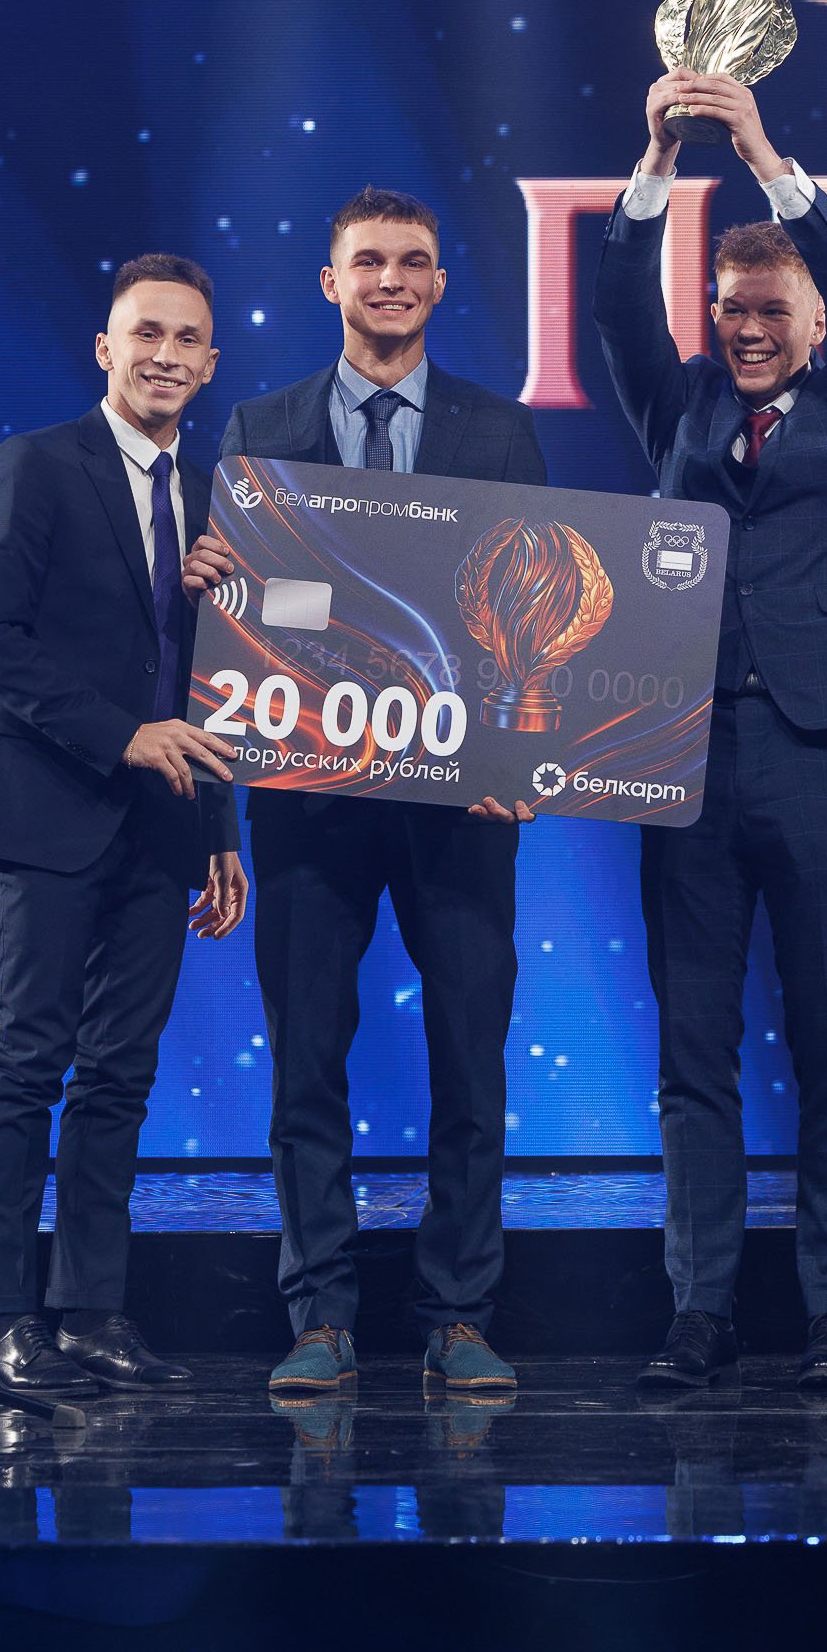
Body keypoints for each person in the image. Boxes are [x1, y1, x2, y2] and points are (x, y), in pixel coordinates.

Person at [183, 187, 546, 1398]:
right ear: (331, 282)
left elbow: (529, 619)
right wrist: (225, 585)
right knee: (306, 1068)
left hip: (463, 807)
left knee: (472, 1066)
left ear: (440, 282)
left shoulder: (500, 432)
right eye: (370, 261)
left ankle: (460, 1315)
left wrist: (521, 760)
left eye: (415, 261)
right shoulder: (261, 426)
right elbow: (258, 620)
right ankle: (320, 1315)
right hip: (308, 801)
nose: (392, 279)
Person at [590, 70, 827, 1392]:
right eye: (732, 308)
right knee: (694, 1052)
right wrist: (657, 161)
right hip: (680, 759)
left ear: (815, 319)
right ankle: (701, 1305)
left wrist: (767, 152)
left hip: (821, 751)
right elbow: (619, 302)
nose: (750, 328)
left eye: (774, 309)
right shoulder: (682, 408)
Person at [0, 252, 250, 1396]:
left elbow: (213, 678)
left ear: (210, 363)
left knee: (121, 1072)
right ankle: (6, 1318)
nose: (165, 354)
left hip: (164, 825)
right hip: (50, 807)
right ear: (105, 348)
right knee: (31, 1057)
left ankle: (91, 1310)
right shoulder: (36, 463)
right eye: (146, 333)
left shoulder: (215, 497)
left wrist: (220, 829)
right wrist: (121, 736)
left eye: (187, 339)